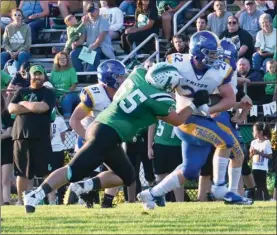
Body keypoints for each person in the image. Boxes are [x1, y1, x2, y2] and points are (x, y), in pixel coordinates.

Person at [22, 62, 210, 213]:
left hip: (106, 130)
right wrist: (193, 104)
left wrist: (155, 67)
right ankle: (36, 194)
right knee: (72, 171)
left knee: (126, 175)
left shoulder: (137, 76)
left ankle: (84, 186)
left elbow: (143, 66)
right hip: (107, 132)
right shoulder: (158, 99)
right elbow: (177, 120)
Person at [138, 31, 251, 210]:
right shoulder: (176, 62)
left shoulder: (219, 70)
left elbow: (229, 99)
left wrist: (208, 109)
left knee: (190, 170)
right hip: (185, 120)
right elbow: (152, 76)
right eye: (211, 53)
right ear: (198, 52)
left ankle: (151, 194)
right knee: (226, 142)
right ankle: (220, 188)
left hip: (202, 119)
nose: (216, 58)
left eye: (216, 53)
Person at [66, 59, 127, 208]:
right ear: (109, 77)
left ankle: (107, 201)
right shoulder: (95, 94)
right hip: (91, 138)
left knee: (119, 171)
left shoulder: (123, 94)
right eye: (119, 76)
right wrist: (89, 140)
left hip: (111, 138)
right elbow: (74, 120)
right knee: (88, 173)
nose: (122, 79)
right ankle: (85, 199)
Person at [8, 64, 56, 205]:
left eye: (39, 74)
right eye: (34, 74)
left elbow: (42, 108)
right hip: (20, 136)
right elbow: (11, 108)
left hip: (41, 136)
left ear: (43, 76)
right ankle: (20, 201)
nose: (37, 77)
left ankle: (52, 200)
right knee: (21, 171)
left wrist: (23, 104)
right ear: (30, 75)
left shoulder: (48, 92)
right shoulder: (21, 91)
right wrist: (32, 106)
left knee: (47, 171)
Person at [50, 52, 79, 121]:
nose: (63, 60)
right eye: (61, 59)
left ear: (67, 60)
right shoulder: (53, 72)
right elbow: (51, 85)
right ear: (57, 61)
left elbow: (74, 84)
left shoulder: (71, 70)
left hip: (70, 93)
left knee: (66, 100)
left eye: (64, 58)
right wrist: (54, 96)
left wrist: (66, 93)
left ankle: (67, 121)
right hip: (57, 94)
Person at [250, 122, 272, 200]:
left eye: (254, 131)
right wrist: (252, 153)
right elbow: (251, 156)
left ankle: (267, 199)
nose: (253, 132)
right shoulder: (253, 142)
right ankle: (258, 199)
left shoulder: (266, 142)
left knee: (262, 185)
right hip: (255, 166)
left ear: (260, 132)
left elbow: (270, 156)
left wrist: (259, 153)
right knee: (256, 185)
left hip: (262, 168)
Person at [1, 94, 14, 205]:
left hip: (6, 148)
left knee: (5, 179)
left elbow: (9, 132)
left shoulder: (6, 114)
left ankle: (6, 202)